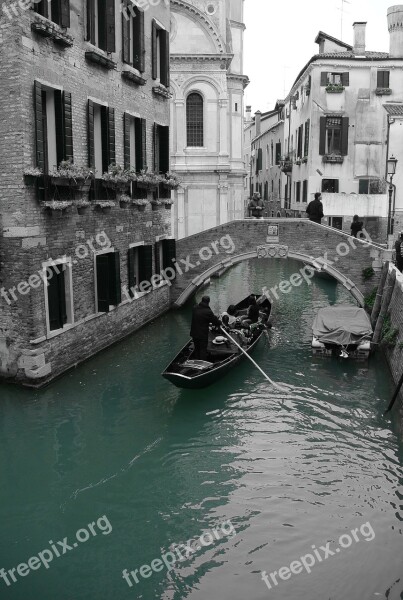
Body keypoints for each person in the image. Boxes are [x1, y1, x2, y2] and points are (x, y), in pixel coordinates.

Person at [190, 296, 220, 360]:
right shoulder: (208, 311)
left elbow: (201, 317)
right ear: (208, 302)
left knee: (197, 348)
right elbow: (215, 321)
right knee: (203, 349)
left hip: (194, 333)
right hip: (202, 334)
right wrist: (219, 322)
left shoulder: (195, 308)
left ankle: (196, 361)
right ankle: (202, 364)